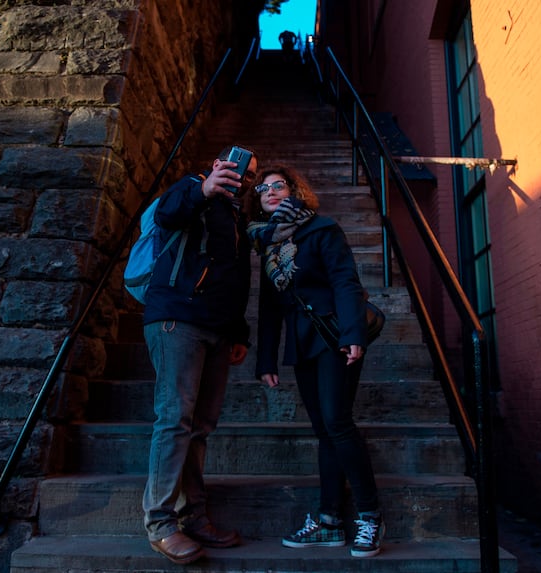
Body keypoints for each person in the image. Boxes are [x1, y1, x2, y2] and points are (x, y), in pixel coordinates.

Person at [246, 165, 385, 558]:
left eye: (279, 185)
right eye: (262, 188)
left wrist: (353, 334)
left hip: (335, 338)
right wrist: (266, 358)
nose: (270, 191)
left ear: (294, 191)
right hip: (303, 344)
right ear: (257, 201)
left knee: (338, 423)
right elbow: (270, 307)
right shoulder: (267, 244)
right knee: (324, 431)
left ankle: (370, 516)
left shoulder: (321, 229)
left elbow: (345, 281)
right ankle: (329, 521)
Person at [142, 145, 258, 565]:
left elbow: (237, 280)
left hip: (217, 330)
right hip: (177, 318)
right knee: (175, 417)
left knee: (201, 426)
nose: (242, 178)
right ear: (217, 165)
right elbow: (166, 214)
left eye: (249, 176)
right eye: (237, 169)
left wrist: (239, 331)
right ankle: (159, 522)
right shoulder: (192, 187)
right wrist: (205, 189)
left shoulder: (238, 220)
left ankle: (193, 515)